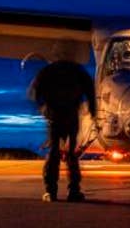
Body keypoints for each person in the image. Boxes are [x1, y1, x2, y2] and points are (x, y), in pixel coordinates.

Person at [28, 60, 97, 202]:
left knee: (54, 152)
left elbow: (34, 93)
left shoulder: (48, 70)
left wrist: (43, 108)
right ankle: (74, 191)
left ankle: (51, 191)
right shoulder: (78, 70)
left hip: (55, 117)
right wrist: (93, 111)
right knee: (72, 154)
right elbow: (90, 91)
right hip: (71, 117)